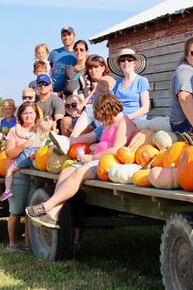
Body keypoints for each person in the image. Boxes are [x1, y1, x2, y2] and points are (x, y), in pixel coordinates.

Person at [26, 93, 138, 229]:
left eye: (102, 116)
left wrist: (91, 157)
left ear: (109, 110)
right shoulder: (108, 124)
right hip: (95, 159)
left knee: (80, 172)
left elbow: (117, 149)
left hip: (109, 163)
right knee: (67, 170)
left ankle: (46, 206)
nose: (102, 120)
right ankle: (53, 214)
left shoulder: (124, 123)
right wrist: (70, 140)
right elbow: (91, 136)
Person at [4, 102, 42, 252]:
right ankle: (12, 244)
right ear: (20, 115)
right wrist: (25, 145)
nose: (28, 116)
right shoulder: (14, 131)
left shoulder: (39, 131)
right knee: (15, 210)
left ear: (36, 115)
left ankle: (28, 244)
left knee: (29, 211)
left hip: (36, 175)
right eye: (25, 113)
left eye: (31, 113)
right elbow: (9, 153)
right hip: (18, 175)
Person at [1, 116, 53, 201]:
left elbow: (19, 133)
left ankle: (7, 190)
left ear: (37, 127)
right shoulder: (48, 139)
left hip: (25, 156)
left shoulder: (33, 135)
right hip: (36, 159)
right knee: (38, 176)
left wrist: (17, 123)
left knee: (10, 170)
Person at [69, 54, 116, 139]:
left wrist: (82, 105)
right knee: (88, 109)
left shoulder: (107, 79)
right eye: (90, 68)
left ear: (103, 68)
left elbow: (102, 86)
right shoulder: (95, 86)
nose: (93, 70)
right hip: (99, 121)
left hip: (112, 120)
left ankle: (72, 139)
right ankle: (72, 139)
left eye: (96, 67)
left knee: (90, 108)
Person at [108, 48, 150, 122]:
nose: (126, 62)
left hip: (136, 121)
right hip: (118, 119)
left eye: (129, 60)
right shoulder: (117, 83)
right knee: (98, 131)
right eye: (123, 60)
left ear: (134, 63)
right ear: (119, 64)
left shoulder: (142, 81)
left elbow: (145, 108)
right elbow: (112, 104)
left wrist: (126, 118)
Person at [49, 26, 77, 94]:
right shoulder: (54, 53)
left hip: (71, 94)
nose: (66, 38)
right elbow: (47, 70)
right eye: (64, 35)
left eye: (69, 35)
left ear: (74, 36)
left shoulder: (79, 54)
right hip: (54, 93)